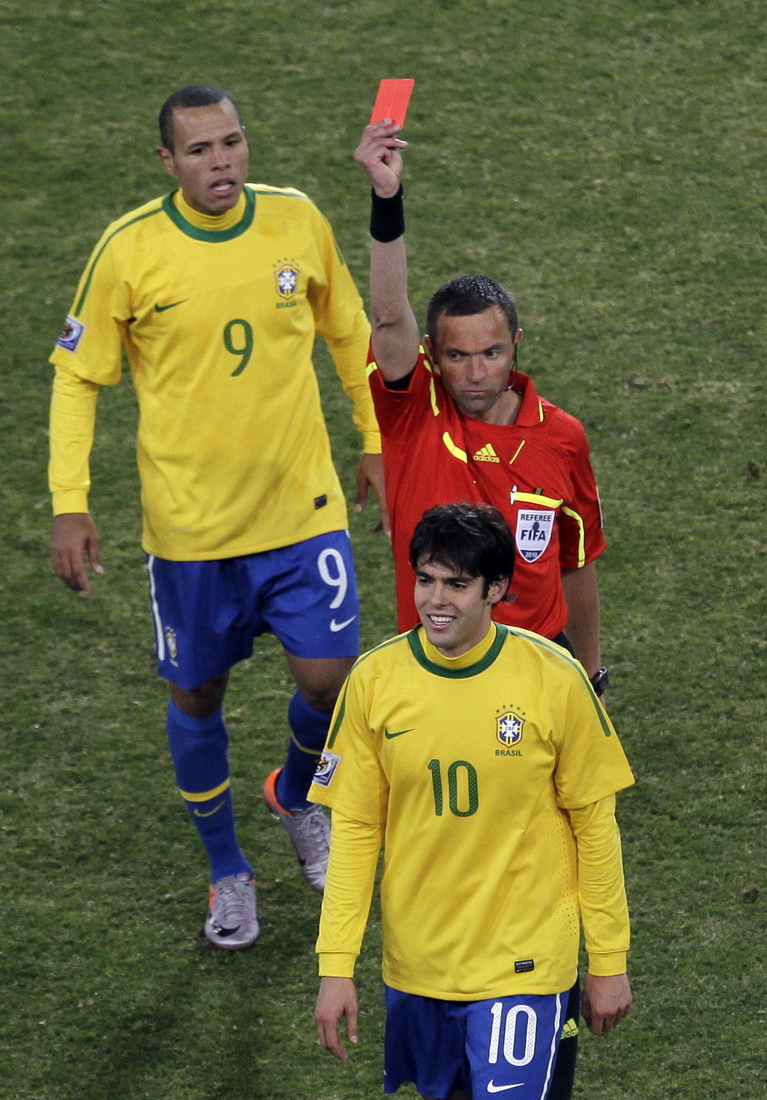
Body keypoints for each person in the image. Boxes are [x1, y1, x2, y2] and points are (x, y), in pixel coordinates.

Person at [48, 84, 387, 951]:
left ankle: (295, 796)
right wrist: (70, 503)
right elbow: (78, 375)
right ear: (167, 161)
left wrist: (375, 437)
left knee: (331, 681)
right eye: (199, 150)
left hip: (301, 511)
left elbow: (349, 331)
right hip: (192, 534)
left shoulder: (295, 220)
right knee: (197, 695)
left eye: (231, 142)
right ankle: (227, 867)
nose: (221, 162)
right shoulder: (130, 249)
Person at [312, 502, 633, 1100]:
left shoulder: (553, 677)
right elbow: (354, 832)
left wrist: (609, 960)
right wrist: (336, 966)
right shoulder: (375, 681)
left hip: (525, 963)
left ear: (497, 589)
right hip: (419, 966)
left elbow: (595, 826)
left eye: (457, 584)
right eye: (426, 580)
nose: (436, 600)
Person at [354, 121, 609, 699]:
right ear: (431, 354)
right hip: (434, 674)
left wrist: (591, 675)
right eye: (457, 356)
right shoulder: (414, 415)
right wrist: (387, 198)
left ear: (516, 345)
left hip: (539, 673)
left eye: (491, 353)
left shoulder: (562, 437)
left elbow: (577, 561)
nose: (475, 374)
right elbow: (389, 317)